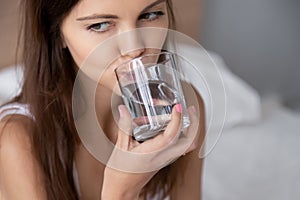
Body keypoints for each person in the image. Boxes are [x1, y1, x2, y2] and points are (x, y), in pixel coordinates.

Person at [0, 0, 205, 199]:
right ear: (56, 31)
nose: (133, 49)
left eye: (150, 15)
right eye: (100, 25)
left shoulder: (181, 106)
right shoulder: (18, 140)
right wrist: (121, 192)